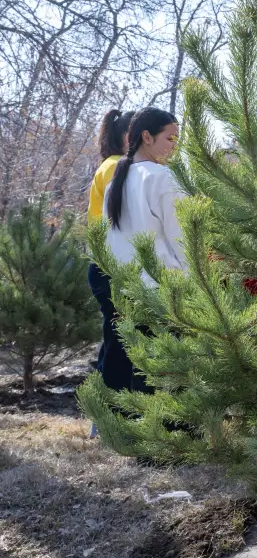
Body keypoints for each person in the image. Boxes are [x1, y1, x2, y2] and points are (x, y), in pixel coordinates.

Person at [101, 107, 183, 394]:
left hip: (128, 293)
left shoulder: (114, 185)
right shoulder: (163, 178)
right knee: (174, 383)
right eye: (171, 138)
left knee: (141, 378)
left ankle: (137, 437)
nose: (175, 147)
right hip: (167, 295)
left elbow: (109, 243)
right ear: (147, 137)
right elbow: (184, 242)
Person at [88, 109, 135, 375]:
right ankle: (110, 412)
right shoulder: (118, 166)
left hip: (108, 263)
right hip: (111, 265)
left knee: (115, 338)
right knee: (120, 341)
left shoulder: (113, 164)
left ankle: (104, 409)